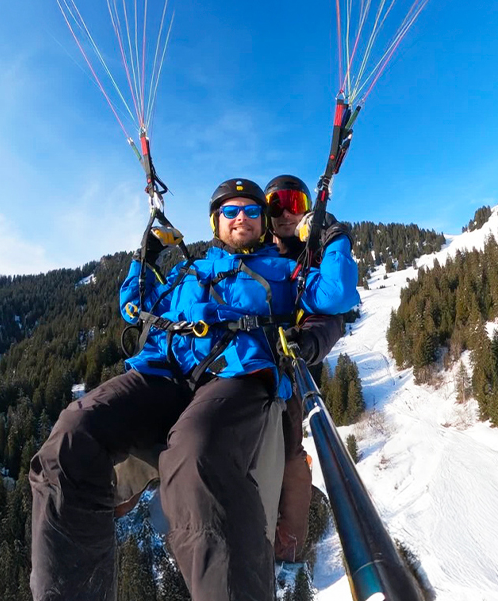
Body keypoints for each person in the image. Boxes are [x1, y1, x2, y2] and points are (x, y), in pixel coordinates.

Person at [28, 178, 360, 600]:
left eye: (253, 211)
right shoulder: (190, 271)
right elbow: (134, 306)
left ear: (263, 224)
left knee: (194, 455)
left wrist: (334, 236)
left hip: (236, 375)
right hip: (165, 373)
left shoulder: (285, 272)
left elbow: (336, 295)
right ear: (216, 223)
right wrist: (146, 257)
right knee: (72, 434)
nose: (242, 217)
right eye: (231, 211)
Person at [263, 174, 354, 563]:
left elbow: (335, 302)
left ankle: (286, 540)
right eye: (274, 204)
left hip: (291, 369)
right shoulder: (252, 253)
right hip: (244, 363)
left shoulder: (312, 260)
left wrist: (332, 235)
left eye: (293, 201)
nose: (284, 212)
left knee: (287, 451)